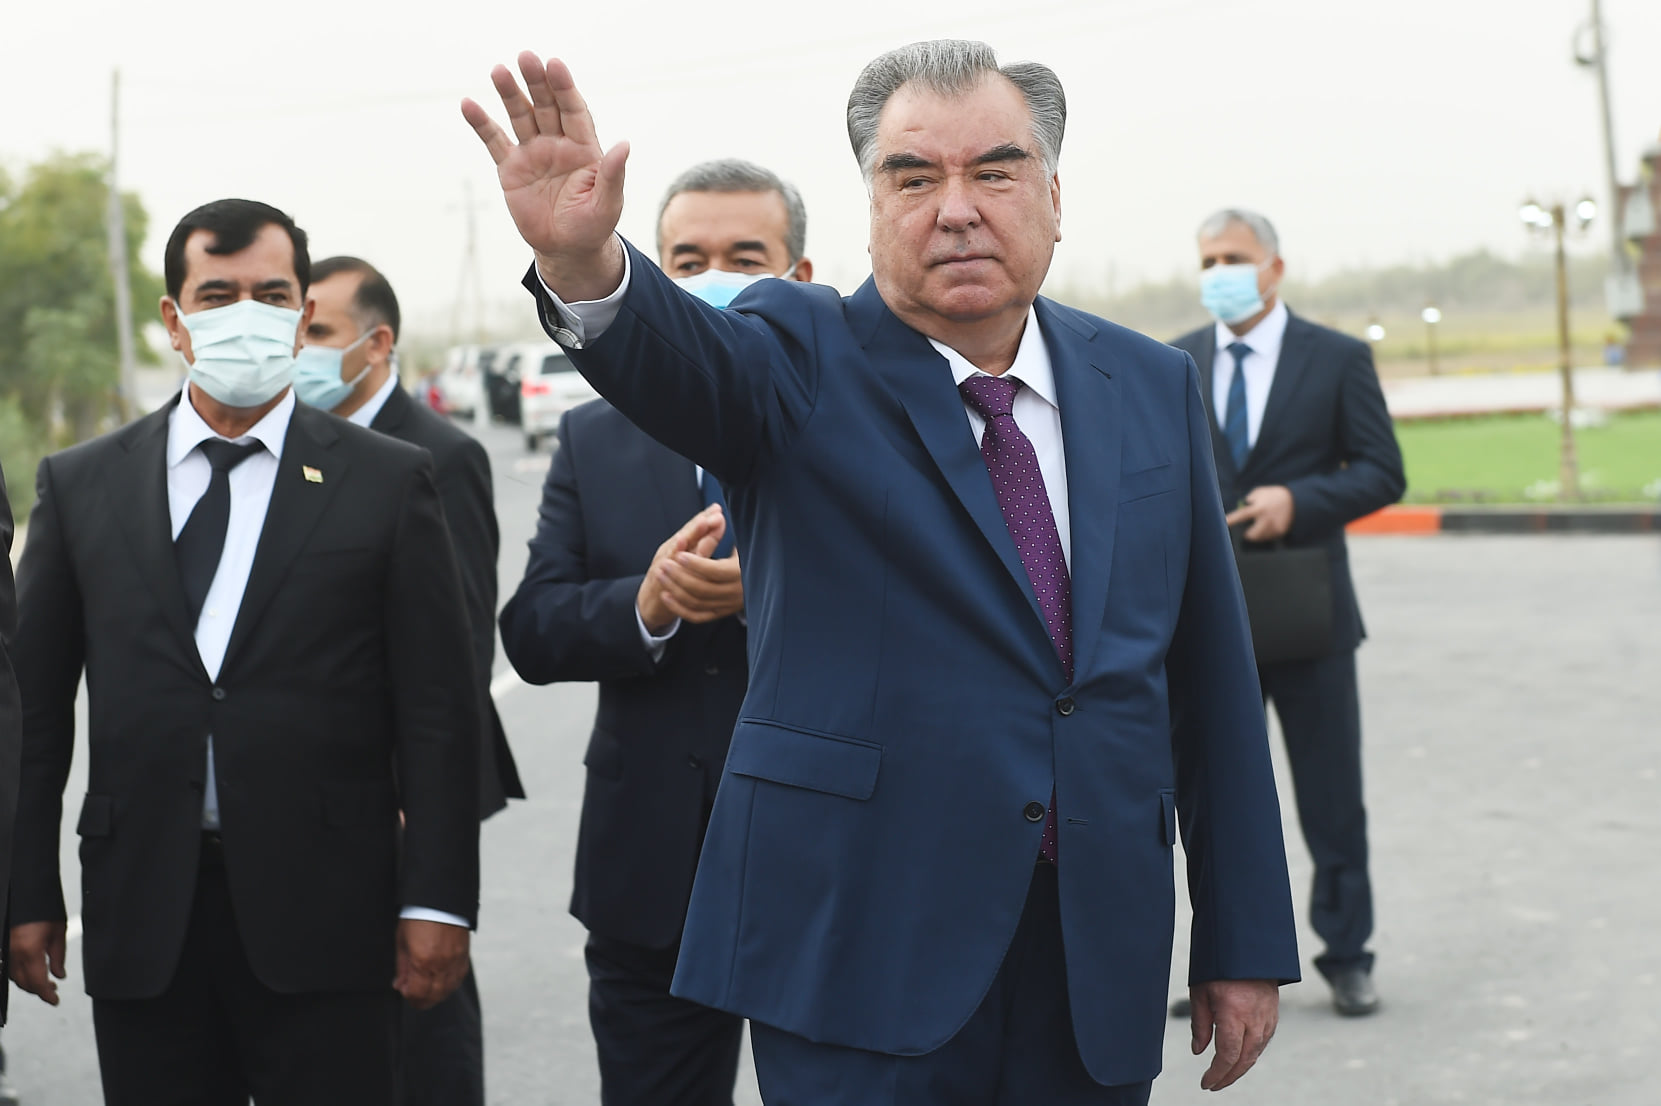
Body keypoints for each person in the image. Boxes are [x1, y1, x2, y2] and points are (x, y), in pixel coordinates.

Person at [465, 41, 1300, 1105]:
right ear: (869, 207)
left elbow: (1210, 681)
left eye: (993, 171)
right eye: (912, 178)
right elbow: (684, 365)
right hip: (861, 945)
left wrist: (1241, 937)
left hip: (1092, 946)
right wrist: (587, 266)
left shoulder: (1145, 382)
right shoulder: (796, 354)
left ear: (1053, 196)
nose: (955, 209)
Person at [7, 199, 482, 1106]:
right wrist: (24, 891)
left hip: (331, 916)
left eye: (270, 295)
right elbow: (30, 713)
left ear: (303, 316)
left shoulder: (387, 481)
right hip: (146, 913)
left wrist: (437, 901)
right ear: (174, 320)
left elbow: (438, 711)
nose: (246, 316)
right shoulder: (82, 484)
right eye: (217, 295)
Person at [498, 158, 810, 1106]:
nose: (713, 276)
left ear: (799, 277)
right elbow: (533, 630)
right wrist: (647, 604)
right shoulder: (595, 437)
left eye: (744, 257)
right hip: (650, 875)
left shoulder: (853, 426)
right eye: (687, 259)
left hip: (828, 874)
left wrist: (774, 591)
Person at [296, 255, 524, 1106]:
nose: (299, 350)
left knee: (423, 994)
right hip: (315, 783)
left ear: (377, 343)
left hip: (402, 788)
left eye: (319, 332)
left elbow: (457, 645)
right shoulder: (297, 444)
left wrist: (415, 791)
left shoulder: (438, 453)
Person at [1170, 208, 1406, 1018]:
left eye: (1233, 258)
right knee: (1214, 802)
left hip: (1309, 612)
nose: (1219, 273)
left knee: (1330, 799)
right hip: (1209, 621)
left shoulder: (1335, 358)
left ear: (1273, 268)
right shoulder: (1176, 361)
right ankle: (1221, 965)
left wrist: (1298, 501)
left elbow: (1381, 471)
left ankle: (1347, 955)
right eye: (1208, 260)